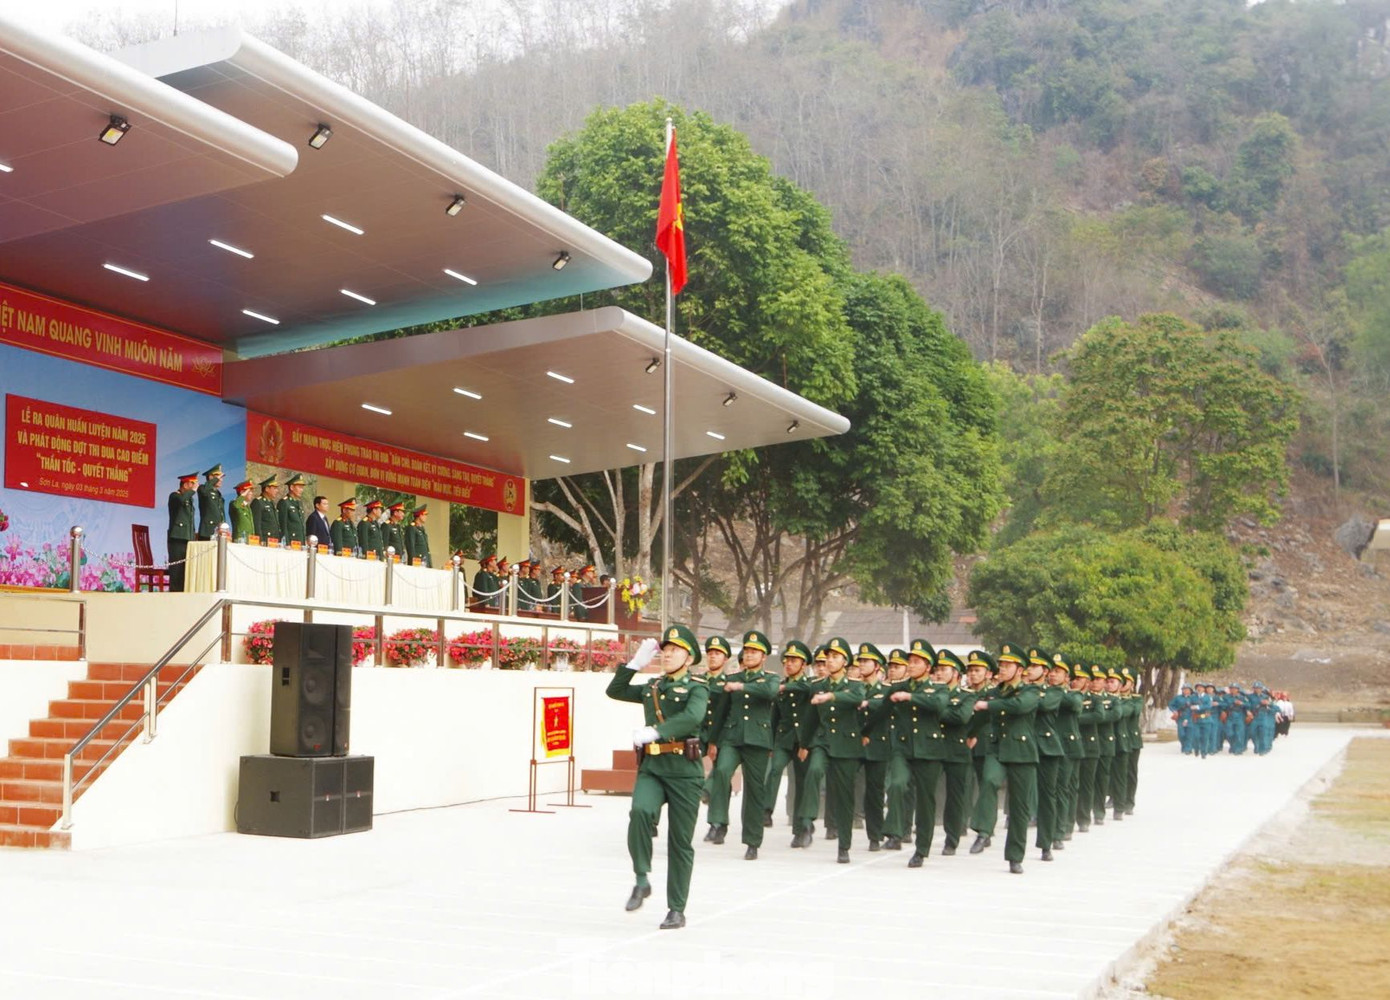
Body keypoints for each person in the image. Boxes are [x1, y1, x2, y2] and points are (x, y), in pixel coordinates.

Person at [605, 625, 709, 930]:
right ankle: (641, 879)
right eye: (664, 650)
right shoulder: (653, 687)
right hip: (653, 767)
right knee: (639, 812)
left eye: (674, 650)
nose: (667, 654)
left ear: (689, 658)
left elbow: (692, 717)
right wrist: (633, 664)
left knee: (680, 843)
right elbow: (616, 691)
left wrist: (658, 731)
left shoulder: (697, 688)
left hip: (684, 772)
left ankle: (676, 908)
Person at [705, 630, 777, 860]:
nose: (749, 654)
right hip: (732, 738)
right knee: (722, 772)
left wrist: (743, 688)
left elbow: (770, 692)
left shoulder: (770, 678)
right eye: (747, 650)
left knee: (755, 791)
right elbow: (721, 712)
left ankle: (752, 841)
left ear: (764, 656)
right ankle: (719, 822)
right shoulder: (732, 679)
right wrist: (713, 741)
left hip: (757, 740)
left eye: (755, 651)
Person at [974, 642, 1039, 875]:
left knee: (1019, 808)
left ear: (1019, 669)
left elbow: (1019, 707)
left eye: (1007, 665)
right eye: (1000, 664)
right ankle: (983, 831)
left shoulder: (1030, 691)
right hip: (997, 749)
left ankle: (1015, 856)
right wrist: (970, 734)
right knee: (990, 781)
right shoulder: (994, 692)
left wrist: (989, 705)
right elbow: (979, 714)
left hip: (1022, 753)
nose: (1001, 668)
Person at [886, 638, 951, 867]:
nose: (911, 665)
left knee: (926, 802)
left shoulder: (940, 688)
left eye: (916, 662)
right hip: (903, 749)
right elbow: (882, 708)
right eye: (910, 661)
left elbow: (938, 705)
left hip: (929, 751)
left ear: (928, 666)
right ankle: (894, 830)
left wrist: (911, 698)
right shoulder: (899, 687)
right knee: (897, 783)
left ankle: (921, 850)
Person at [805, 636, 864, 863]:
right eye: (828, 656)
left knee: (844, 797)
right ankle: (808, 820)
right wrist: (804, 744)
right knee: (814, 770)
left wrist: (832, 696)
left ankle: (844, 846)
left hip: (847, 746)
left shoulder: (855, 686)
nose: (830, 661)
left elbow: (856, 698)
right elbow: (810, 718)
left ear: (845, 661)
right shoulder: (817, 685)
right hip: (823, 742)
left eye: (835, 657)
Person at [768, 639, 816, 847]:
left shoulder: (809, 686)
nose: (789, 663)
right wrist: (770, 743)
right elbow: (774, 717)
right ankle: (765, 810)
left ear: (804, 665)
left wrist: (807, 743)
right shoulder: (781, 687)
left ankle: (802, 828)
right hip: (784, 739)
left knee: (803, 785)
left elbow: (805, 689)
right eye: (787, 660)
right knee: (775, 769)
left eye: (794, 660)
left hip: (804, 741)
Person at [936, 649, 974, 855]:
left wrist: (935, 709)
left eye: (944, 670)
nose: (939, 673)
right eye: (937, 670)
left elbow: (962, 717)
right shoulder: (930, 693)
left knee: (955, 797)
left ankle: (952, 839)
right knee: (925, 793)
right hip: (932, 748)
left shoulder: (966, 696)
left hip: (957, 750)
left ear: (957, 675)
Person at [855, 642, 893, 852]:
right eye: (860, 661)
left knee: (875, 793)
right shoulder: (853, 686)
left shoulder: (886, 690)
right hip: (854, 743)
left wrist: (869, 703)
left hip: (878, 745)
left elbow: (887, 708)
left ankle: (875, 835)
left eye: (866, 661)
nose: (861, 665)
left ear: (877, 666)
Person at [1027, 647, 1064, 862]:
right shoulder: (1020, 690)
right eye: (1028, 666)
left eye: (1035, 667)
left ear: (1045, 671)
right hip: (1023, 746)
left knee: (1047, 796)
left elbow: (1041, 705)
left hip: (1047, 748)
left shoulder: (1054, 692)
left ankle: (1046, 842)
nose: (1030, 670)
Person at [965, 649, 1003, 855]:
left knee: (987, 783)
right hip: (965, 744)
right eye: (970, 671)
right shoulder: (964, 693)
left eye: (977, 670)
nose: (972, 674)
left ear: (988, 674)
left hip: (986, 744)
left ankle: (984, 831)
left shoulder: (993, 694)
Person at [699, 635, 733, 842]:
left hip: (721, 734)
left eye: (717, 654)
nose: (713, 656)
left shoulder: (730, 683)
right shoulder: (698, 680)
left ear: (726, 659)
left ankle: (717, 824)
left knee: (721, 774)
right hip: (699, 733)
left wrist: (718, 740)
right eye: (710, 653)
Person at [166, 472, 197, 592]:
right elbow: (180, 501)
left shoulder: (189, 499)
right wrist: (193, 491)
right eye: (192, 483)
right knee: (177, 570)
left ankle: (183, 593)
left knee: (185, 570)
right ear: (184, 485)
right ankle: (174, 594)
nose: (194, 486)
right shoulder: (174, 496)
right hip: (177, 538)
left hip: (188, 538)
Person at [195, 464, 226, 541]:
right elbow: (205, 490)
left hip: (218, 531)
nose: (221, 480)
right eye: (218, 477)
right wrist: (214, 480)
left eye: (221, 478)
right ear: (211, 477)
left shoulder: (218, 493)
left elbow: (221, 512)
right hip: (207, 531)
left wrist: (223, 526)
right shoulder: (202, 488)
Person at [277, 473, 307, 547]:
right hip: (290, 542)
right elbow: (283, 525)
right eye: (299, 487)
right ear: (291, 487)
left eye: (302, 488)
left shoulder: (299, 503)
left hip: (299, 542)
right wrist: (286, 543)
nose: (301, 490)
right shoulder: (284, 502)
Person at [251, 475, 281, 544]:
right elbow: (256, 524)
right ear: (267, 489)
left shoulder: (271, 503)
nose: (277, 491)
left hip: (274, 540)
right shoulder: (258, 502)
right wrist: (260, 540)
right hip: (264, 540)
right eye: (274, 488)